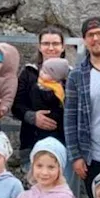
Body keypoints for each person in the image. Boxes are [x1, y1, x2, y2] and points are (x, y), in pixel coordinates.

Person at [65, 17, 100, 198]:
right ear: (85, 40)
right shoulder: (77, 75)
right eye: (90, 35)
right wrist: (76, 156)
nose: (95, 39)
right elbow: (69, 118)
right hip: (92, 156)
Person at [14, 27, 68, 158]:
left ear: (62, 47)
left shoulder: (70, 75)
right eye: (46, 43)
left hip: (62, 142)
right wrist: (32, 117)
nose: (50, 48)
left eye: (55, 43)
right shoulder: (29, 73)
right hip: (32, 139)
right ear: (39, 47)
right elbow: (16, 105)